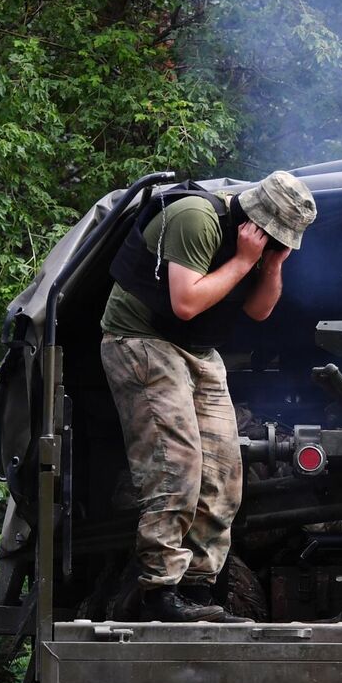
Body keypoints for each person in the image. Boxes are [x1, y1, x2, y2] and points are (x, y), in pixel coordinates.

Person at [101, 171, 317, 622]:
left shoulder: (258, 246)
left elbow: (259, 310)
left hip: (197, 350)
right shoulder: (196, 219)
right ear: (255, 219)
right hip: (142, 341)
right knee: (174, 466)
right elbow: (186, 303)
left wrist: (271, 264)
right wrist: (242, 260)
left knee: (223, 470)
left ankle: (198, 591)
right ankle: (156, 591)